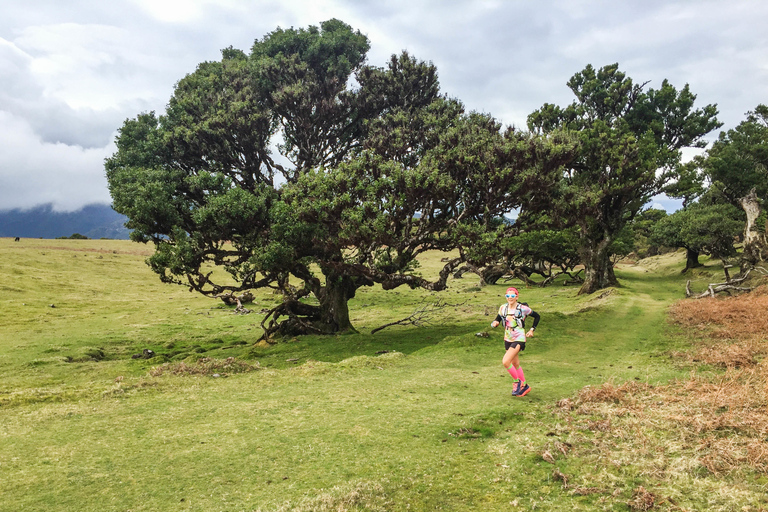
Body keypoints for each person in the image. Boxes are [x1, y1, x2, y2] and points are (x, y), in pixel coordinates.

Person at [490, 287, 540, 397]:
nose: (510, 298)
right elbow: (498, 318)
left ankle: (517, 383)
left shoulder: (523, 308)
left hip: (519, 339)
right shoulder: (503, 308)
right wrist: (495, 322)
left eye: (512, 296)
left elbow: (537, 316)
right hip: (507, 338)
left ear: (517, 297)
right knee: (515, 363)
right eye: (507, 296)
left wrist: (532, 330)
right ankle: (525, 386)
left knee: (505, 361)